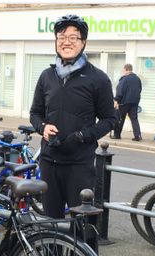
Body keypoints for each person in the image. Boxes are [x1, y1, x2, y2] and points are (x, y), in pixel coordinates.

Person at [30, 14, 116, 219]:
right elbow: (35, 113)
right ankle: (52, 253)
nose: (66, 42)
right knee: (51, 223)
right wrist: (42, 127)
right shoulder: (47, 76)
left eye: (73, 37)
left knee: (82, 226)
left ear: (83, 42)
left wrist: (81, 136)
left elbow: (109, 119)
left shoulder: (98, 78)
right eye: (61, 37)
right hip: (49, 161)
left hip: (79, 164)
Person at [111, 63, 143, 141]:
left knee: (121, 118)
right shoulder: (137, 79)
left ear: (125, 69)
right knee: (134, 119)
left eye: (123, 70)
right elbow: (140, 89)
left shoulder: (124, 79)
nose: (123, 71)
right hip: (135, 102)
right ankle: (138, 135)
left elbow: (120, 90)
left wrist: (116, 100)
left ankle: (117, 135)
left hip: (124, 102)